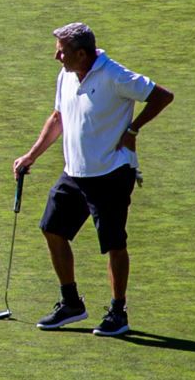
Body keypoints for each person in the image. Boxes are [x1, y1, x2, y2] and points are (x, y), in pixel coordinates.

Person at [12, 23, 172, 337]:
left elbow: (162, 96)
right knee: (52, 228)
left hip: (111, 172)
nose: (56, 57)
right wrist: (31, 156)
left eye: (62, 51)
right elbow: (58, 118)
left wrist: (133, 129)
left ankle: (118, 312)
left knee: (114, 243)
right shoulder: (66, 76)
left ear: (82, 54)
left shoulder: (115, 75)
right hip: (75, 172)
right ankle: (71, 303)